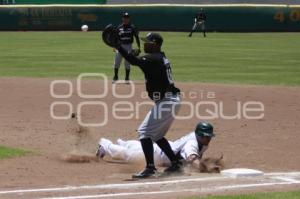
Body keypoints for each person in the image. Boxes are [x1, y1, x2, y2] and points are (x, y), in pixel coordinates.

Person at [106, 32, 182, 178]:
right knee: (157, 134)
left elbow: (134, 62)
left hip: (168, 101)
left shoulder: (154, 58)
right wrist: (132, 55)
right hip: (171, 100)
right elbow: (139, 61)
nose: (145, 44)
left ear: (155, 44)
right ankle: (176, 162)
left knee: (145, 132)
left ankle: (150, 168)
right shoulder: (160, 56)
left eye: (148, 42)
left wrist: (119, 46)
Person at [96, 122, 216, 172]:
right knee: (127, 155)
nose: (209, 139)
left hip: (161, 150)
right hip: (157, 155)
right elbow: (192, 158)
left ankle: (124, 143)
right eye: (206, 136)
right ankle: (105, 145)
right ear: (199, 135)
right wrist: (206, 169)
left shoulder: (201, 142)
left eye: (209, 136)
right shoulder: (193, 143)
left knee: (137, 147)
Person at [113, 12, 140, 83]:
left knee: (127, 62)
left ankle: (127, 78)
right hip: (120, 46)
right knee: (117, 61)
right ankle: (115, 77)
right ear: (122, 18)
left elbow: (136, 37)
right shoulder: (119, 27)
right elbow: (115, 38)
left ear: (129, 19)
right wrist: (114, 47)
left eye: (127, 18)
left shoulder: (132, 27)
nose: (126, 19)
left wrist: (139, 47)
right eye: (124, 17)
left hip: (129, 46)